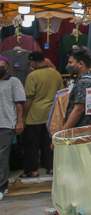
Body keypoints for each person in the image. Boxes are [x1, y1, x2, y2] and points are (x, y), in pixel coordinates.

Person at [21, 51, 62, 177]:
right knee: (48, 142)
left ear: (32, 62)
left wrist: (23, 115)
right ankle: (51, 168)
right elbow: (61, 93)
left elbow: (29, 98)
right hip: (51, 113)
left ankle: (33, 170)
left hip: (35, 115)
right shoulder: (56, 73)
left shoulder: (32, 76)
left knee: (32, 144)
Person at [0, 55, 26, 199]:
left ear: (8, 68)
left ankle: (1, 186)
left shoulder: (13, 82)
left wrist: (19, 121)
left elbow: (19, 103)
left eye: (2, 66)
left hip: (6, 123)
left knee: (2, 156)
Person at [58, 48, 91, 135]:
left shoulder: (83, 82)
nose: (68, 66)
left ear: (80, 64)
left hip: (81, 132)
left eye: (71, 62)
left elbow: (78, 110)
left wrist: (63, 133)